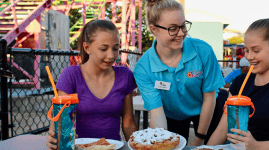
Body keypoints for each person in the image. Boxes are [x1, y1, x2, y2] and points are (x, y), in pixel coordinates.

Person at [207, 18, 269, 150]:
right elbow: (222, 130)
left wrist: (257, 146)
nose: (249, 57)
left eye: (256, 51)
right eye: (246, 50)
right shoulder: (239, 83)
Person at [133, 0, 225, 146]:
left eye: (183, 25)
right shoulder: (143, 68)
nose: (181, 33)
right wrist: (159, 143)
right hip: (172, 114)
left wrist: (200, 138)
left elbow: (210, 97)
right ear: (154, 29)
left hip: (207, 107)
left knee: (211, 146)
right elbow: (157, 112)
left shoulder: (203, 51)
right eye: (173, 28)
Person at [46, 20, 138, 149]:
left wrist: (138, 146)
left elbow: (128, 123)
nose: (111, 55)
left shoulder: (125, 75)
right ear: (87, 48)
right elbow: (61, 122)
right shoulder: (71, 75)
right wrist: (54, 138)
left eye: (116, 48)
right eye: (103, 49)